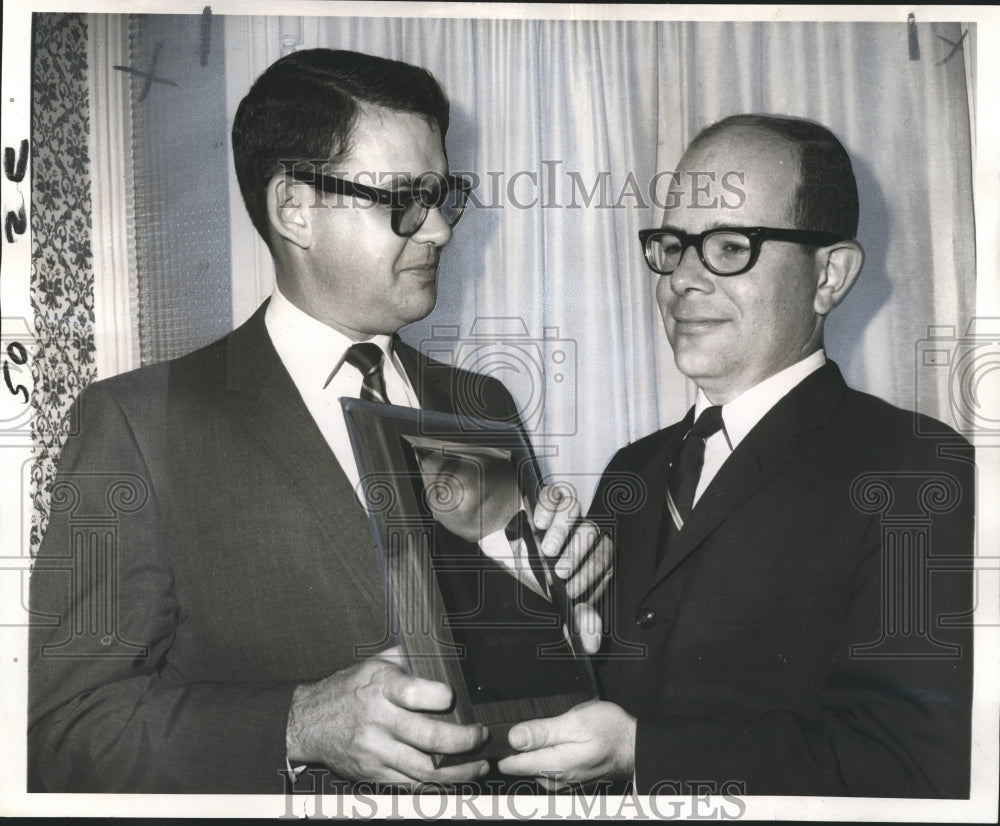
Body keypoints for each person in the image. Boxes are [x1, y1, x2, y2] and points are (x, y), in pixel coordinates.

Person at [27, 48, 609, 793]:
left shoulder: (478, 404)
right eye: (405, 198)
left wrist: (569, 609)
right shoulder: (139, 424)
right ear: (294, 210)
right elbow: (63, 729)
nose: (438, 231)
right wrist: (299, 724)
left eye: (442, 194)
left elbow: (516, 668)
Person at [498, 114, 975, 797]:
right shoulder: (632, 470)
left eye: (729, 246)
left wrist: (644, 755)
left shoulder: (917, 468)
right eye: (672, 245)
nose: (680, 280)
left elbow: (915, 767)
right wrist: (554, 641)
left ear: (830, 276)